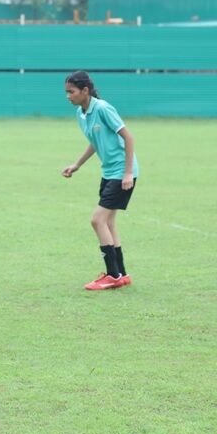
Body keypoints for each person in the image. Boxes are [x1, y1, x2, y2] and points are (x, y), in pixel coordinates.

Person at [61, 70, 139, 290]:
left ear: (85, 90)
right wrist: (77, 164)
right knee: (108, 222)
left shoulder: (103, 108)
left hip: (121, 173)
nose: (68, 96)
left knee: (97, 220)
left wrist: (127, 173)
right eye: (66, 92)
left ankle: (112, 275)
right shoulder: (81, 113)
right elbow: (95, 141)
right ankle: (122, 274)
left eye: (71, 92)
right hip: (109, 172)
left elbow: (128, 137)